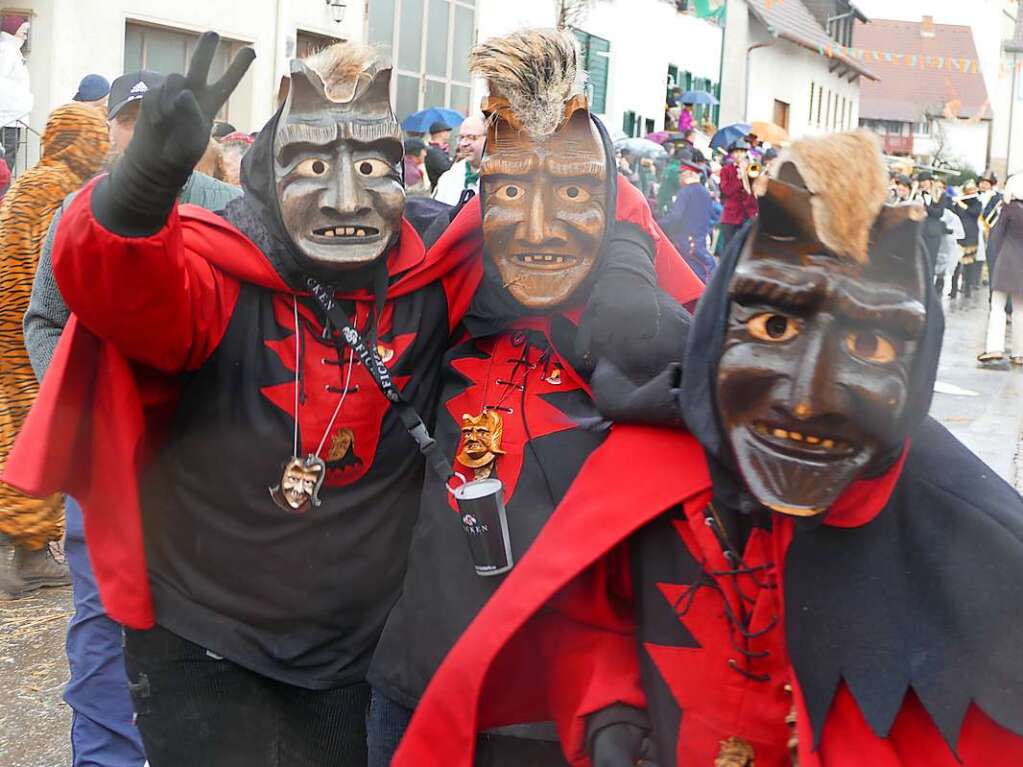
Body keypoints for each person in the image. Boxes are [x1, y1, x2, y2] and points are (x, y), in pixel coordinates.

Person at [393, 130, 1023, 767]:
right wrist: (609, 711)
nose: (807, 399)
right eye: (774, 325)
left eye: (871, 347)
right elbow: (599, 618)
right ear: (719, 330)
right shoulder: (647, 472)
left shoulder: (978, 561)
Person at [5, 34, 486, 767]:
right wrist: (142, 182)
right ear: (268, 166)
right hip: (205, 638)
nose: (346, 198)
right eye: (315, 165)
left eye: (372, 166)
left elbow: (580, 246)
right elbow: (108, 282)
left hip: (356, 649)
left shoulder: (437, 273)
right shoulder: (219, 265)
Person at [367, 28, 703, 767]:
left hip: (563, 716)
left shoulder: (645, 345)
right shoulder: (443, 300)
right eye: (510, 190)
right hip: (419, 683)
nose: (540, 227)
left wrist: (628, 254)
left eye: (577, 192)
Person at [21, 67, 242, 766]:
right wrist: (90, 393)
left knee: (207, 610)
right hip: (105, 455)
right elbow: (43, 319)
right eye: (130, 118)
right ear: (109, 129)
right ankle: (107, 754)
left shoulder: (232, 207)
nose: (144, 131)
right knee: (99, 613)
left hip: (201, 453)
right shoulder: (79, 210)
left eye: (158, 116)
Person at [0, 103, 109, 599]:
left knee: (14, 435)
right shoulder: (62, 192)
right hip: (30, 331)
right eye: (96, 138)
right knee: (40, 438)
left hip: (9, 325)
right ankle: (28, 554)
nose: (102, 148)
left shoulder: (28, 182)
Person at [979, 174, 1023, 368]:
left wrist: (992, 261)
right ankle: (1019, 353)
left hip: (1006, 262)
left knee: (997, 307)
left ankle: (995, 349)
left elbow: (995, 237)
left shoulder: (1008, 209)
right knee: (1020, 310)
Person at [659, 160, 716, 281]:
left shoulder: (685, 192)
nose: (679, 177)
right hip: (700, 240)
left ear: (689, 174)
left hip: (684, 241)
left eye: (681, 174)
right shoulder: (705, 192)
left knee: (691, 275)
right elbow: (713, 216)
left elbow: (675, 217)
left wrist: (659, 226)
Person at [0, 15, 32, 171]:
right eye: (23, 29)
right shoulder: (6, 50)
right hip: (7, 117)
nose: (26, 33)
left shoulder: (13, 50)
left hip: (13, 116)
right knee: (6, 160)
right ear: (14, 30)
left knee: (9, 158)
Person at [432, 113, 485, 205]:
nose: (463, 143)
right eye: (461, 138)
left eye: (472, 137)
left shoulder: (501, 179)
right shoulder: (448, 179)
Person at [717, 138, 758, 255]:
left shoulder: (752, 167)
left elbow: (755, 190)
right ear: (731, 154)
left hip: (748, 214)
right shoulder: (726, 170)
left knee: (744, 250)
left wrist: (748, 176)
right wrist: (739, 179)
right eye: (735, 152)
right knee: (729, 248)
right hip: (731, 215)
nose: (739, 155)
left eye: (741, 151)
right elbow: (726, 191)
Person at [951, 181, 983, 300]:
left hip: (971, 236)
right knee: (956, 264)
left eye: (974, 189)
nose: (972, 192)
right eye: (969, 190)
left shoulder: (977, 203)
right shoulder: (959, 201)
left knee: (969, 265)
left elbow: (974, 213)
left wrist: (964, 206)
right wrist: (957, 202)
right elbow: (954, 214)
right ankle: (953, 289)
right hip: (960, 235)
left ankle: (967, 289)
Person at [425, 119, 453, 187]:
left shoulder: (441, 149)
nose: (448, 133)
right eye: (446, 131)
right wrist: (457, 158)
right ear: (440, 133)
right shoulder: (433, 151)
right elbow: (446, 169)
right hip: (438, 188)